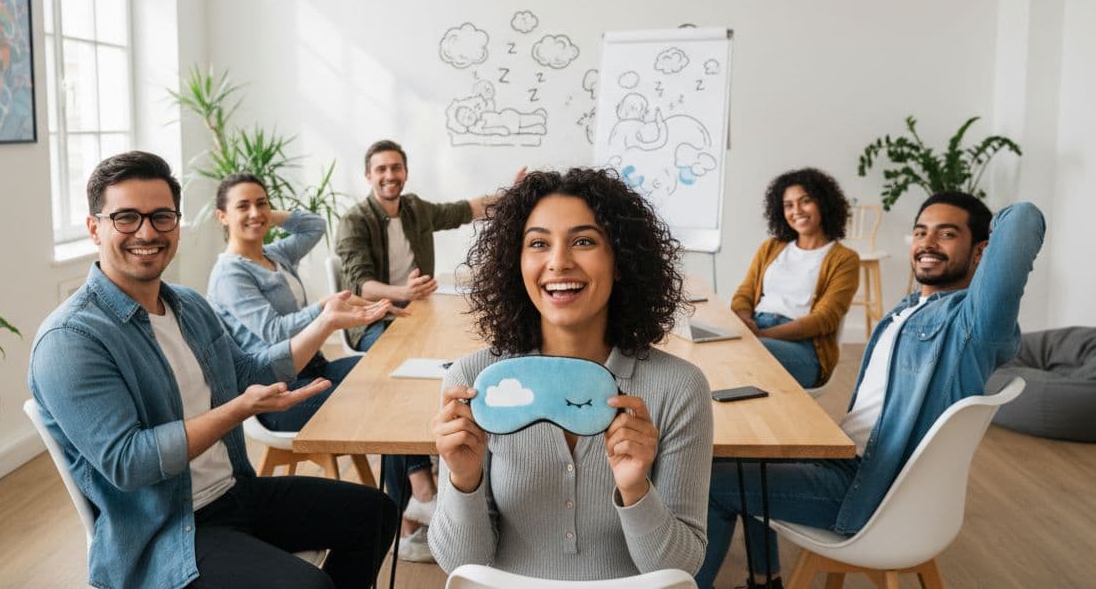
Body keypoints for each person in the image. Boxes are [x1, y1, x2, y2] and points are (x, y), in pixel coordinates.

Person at [28, 151, 397, 589]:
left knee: (376, 513)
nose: (147, 232)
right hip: (168, 530)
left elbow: (246, 371)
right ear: (95, 228)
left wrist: (324, 323)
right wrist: (238, 410)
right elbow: (129, 462)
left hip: (234, 493)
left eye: (161, 216)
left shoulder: (189, 306)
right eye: (126, 217)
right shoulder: (70, 339)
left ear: (176, 225)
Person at [695, 192, 1045, 589]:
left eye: (946, 234)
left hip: (866, 487)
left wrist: (991, 232)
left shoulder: (972, 326)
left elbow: (1023, 221)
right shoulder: (907, 309)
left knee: (704, 479)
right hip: (844, 459)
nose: (927, 243)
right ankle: (764, 579)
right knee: (743, 459)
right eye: (919, 233)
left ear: (982, 252)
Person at [428, 167, 713, 579]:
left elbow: (680, 570)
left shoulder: (678, 387)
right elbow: (461, 565)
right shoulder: (473, 380)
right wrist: (463, 479)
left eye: (583, 241)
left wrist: (636, 490)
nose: (558, 262)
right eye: (539, 243)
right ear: (516, 262)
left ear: (620, 260)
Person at [334, 138, 524, 559]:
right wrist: (401, 292)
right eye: (381, 169)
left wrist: (512, 197)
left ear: (405, 172)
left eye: (396, 168)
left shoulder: (416, 208)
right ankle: (421, 487)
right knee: (400, 393)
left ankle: (415, 507)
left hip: (419, 311)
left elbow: (465, 210)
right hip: (377, 318)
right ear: (369, 176)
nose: (389, 176)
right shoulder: (354, 221)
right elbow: (358, 285)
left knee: (447, 372)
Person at [207, 172, 405, 431]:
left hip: (313, 366)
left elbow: (315, 225)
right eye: (242, 206)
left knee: (397, 378)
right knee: (380, 401)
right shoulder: (230, 274)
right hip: (277, 389)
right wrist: (324, 308)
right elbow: (275, 332)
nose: (254, 211)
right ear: (222, 216)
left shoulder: (275, 253)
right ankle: (414, 472)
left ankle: (415, 471)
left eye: (261, 202)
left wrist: (263, 217)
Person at [730, 168, 860, 389]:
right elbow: (745, 292)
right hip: (756, 329)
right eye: (788, 205)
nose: (796, 210)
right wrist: (744, 321)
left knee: (743, 353)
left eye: (805, 201)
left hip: (803, 348)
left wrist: (761, 334)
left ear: (824, 203)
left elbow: (824, 319)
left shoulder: (844, 259)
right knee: (714, 348)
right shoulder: (771, 247)